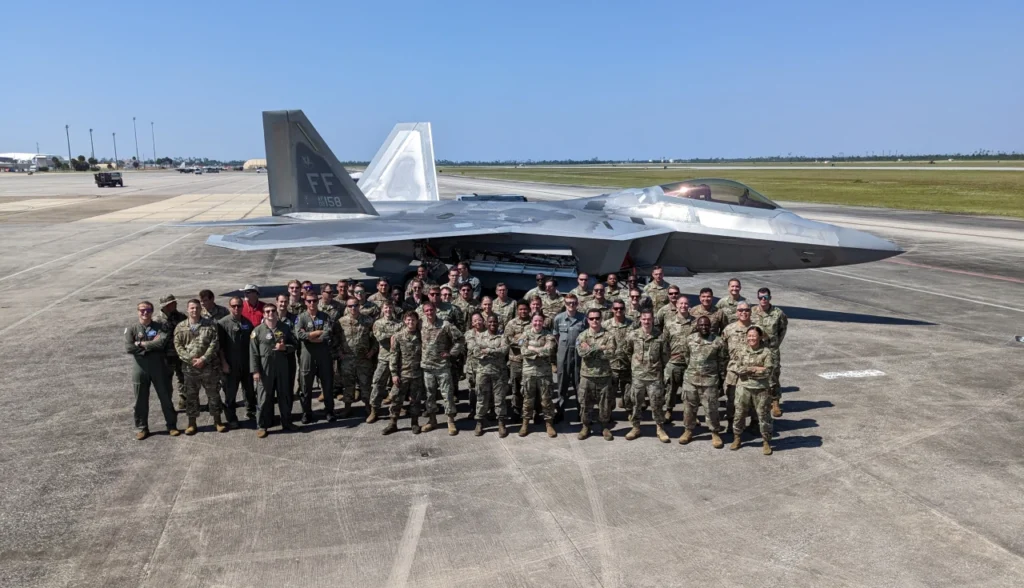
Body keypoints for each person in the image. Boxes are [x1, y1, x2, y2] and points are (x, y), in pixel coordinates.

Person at [125, 301, 178, 439]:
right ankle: (142, 427)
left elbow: (161, 343)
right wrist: (150, 346)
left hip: (158, 367)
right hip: (140, 368)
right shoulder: (132, 328)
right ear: (138, 311)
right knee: (140, 400)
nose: (145, 313)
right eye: (142, 310)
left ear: (152, 311)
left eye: (148, 310)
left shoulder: (161, 326)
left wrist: (141, 344)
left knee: (165, 397)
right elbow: (129, 348)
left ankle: (171, 425)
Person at [174, 299, 226, 435]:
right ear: (187, 310)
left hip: (209, 368)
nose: (194, 310)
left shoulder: (210, 325)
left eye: (197, 308)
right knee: (191, 397)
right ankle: (192, 423)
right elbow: (178, 347)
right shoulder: (180, 327)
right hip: (190, 370)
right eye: (191, 308)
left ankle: (218, 421)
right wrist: (191, 360)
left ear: (200, 309)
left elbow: (214, 343)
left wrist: (204, 358)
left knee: (213, 395)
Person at [679, 316, 728, 448]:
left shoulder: (718, 342)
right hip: (691, 380)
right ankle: (688, 430)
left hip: (710, 381)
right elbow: (686, 357)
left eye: (706, 325)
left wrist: (721, 380)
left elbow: (722, 362)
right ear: (697, 326)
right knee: (689, 408)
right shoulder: (690, 339)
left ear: (710, 326)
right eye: (701, 325)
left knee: (711, 409)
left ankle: (714, 432)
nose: (704, 327)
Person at [250, 305, 299, 438]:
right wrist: (255, 371)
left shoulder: (284, 328)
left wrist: (285, 348)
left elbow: (295, 344)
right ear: (264, 314)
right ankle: (262, 426)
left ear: (276, 313)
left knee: (285, 396)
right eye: (267, 311)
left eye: (273, 311)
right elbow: (253, 353)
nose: (270, 313)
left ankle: (287, 422)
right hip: (265, 369)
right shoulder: (258, 331)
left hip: (282, 367)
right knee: (263, 398)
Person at [622, 310, 670, 442]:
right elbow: (627, 351)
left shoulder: (660, 336)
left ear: (653, 319)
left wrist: (662, 373)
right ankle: (635, 427)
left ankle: (660, 428)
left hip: (654, 377)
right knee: (636, 403)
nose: (647, 321)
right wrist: (635, 365)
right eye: (644, 319)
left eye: (649, 319)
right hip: (638, 376)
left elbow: (665, 356)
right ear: (640, 320)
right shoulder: (633, 335)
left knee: (656, 403)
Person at [419, 302, 465, 435]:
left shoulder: (445, 325)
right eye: (426, 311)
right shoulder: (421, 324)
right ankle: (432, 420)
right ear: (424, 312)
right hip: (427, 366)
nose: (429, 313)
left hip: (442, 366)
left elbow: (460, 339)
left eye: (431, 310)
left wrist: (451, 352)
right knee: (430, 395)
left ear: (435, 310)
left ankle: (450, 421)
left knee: (447, 395)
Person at [731, 326, 776, 455]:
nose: (751, 338)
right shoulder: (741, 350)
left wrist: (749, 369)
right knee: (739, 413)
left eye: (754, 336)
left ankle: (766, 442)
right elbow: (736, 368)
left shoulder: (766, 352)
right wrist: (757, 368)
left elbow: (768, 371)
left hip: (761, 389)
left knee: (763, 415)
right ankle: (737, 438)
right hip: (743, 387)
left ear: (760, 337)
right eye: (749, 336)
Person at [295, 293, 338, 423]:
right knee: (305, 386)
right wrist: (316, 334)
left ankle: (329, 411)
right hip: (307, 356)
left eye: (314, 301)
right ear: (305, 302)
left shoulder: (325, 316)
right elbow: (299, 334)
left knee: (327, 385)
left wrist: (310, 337)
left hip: (323, 355)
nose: (312, 303)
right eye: (309, 301)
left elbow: (327, 333)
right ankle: (306, 413)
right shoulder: (301, 317)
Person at [576, 309, 617, 440]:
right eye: (592, 318)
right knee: (585, 404)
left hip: (604, 375)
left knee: (605, 404)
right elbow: (582, 353)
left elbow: (611, 353)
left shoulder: (609, 336)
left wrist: (590, 348)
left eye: (597, 318)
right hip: (587, 376)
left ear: (601, 319)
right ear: (588, 320)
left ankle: (605, 427)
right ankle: (586, 426)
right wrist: (600, 347)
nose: (595, 321)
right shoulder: (582, 336)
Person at [217, 296, 256, 427]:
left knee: (249, 390)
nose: (236, 308)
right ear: (229, 307)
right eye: (234, 306)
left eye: (239, 306)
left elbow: (252, 344)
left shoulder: (247, 323)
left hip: (246, 363)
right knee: (230, 392)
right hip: (230, 364)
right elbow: (220, 346)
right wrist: (224, 363)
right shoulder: (222, 323)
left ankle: (251, 412)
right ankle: (231, 417)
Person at [385, 311, 425, 435]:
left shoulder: (422, 335)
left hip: (417, 374)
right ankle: (392, 423)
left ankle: (414, 423)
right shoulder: (398, 336)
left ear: (417, 321)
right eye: (408, 320)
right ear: (404, 321)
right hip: (402, 374)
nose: (410, 322)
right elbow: (393, 356)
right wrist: (394, 374)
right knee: (396, 400)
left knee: (415, 400)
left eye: (413, 320)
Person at [751, 287, 788, 417]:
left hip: (772, 350)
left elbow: (782, 329)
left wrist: (775, 344)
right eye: (760, 297)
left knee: (773, 376)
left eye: (765, 297)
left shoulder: (778, 313)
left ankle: (775, 402)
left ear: (770, 298)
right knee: (756, 375)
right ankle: (759, 402)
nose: (763, 300)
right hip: (757, 350)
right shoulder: (752, 312)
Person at [470, 315, 510, 436]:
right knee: (481, 398)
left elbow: (504, 350)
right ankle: (479, 422)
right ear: (486, 323)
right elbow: (475, 351)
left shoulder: (502, 337)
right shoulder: (479, 336)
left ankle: (501, 423)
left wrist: (487, 350)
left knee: (500, 399)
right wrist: (494, 351)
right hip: (483, 372)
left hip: (499, 373)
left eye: (495, 322)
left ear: (498, 324)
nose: (493, 324)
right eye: (490, 322)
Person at [518, 314, 557, 437]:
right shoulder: (525, 334)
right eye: (535, 321)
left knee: (546, 400)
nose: (538, 323)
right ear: (532, 321)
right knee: (528, 400)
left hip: (544, 373)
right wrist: (540, 349)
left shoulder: (549, 335)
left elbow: (549, 350)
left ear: (543, 322)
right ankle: (525, 424)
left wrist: (532, 348)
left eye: (540, 321)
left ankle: (549, 424)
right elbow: (523, 351)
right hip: (529, 373)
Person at [338, 298, 375, 417]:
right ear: (347, 308)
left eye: (355, 305)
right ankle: (347, 408)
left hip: (363, 358)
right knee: (348, 384)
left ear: (359, 306)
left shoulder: (368, 320)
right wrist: (339, 352)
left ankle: (368, 407)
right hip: (347, 358)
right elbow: (335, 338)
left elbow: (375, 337)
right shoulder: (341, 322)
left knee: (365, 384)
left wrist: (373, 351)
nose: (353, 308)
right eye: (350, 306)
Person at [722, 301, 754, 431]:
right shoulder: (729, 329)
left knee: (752, 399)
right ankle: (731, 423)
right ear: (737, 313)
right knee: (732, 399)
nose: (743, 312)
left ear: (750, 312)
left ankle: (754, 423)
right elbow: (722, 350)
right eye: (740, 310)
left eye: (746, 310)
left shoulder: (757, 329)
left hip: (751, 372)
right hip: (733, 371)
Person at [369, 301, 403, 423]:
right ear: (382, 309)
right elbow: (380, 337)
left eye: (390, 307)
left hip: (398, 359)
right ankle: (374, 410)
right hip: (384, 358)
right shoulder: (378, 323)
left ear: (393, 308)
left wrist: (393, 336)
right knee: (378, 384)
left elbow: (402, 337)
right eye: (386, 307)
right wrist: (394, 335)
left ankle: (396, 408)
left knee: (398, 385)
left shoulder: (400, 323)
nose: (388, 310)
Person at [663, 297, 696, 422]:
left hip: (689, 363)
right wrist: (667, 360)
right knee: (671, 389)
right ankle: (668, 410)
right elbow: (664, 343)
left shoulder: (694, 322)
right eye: (681, 303)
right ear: (676, 305)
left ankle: (691, 414)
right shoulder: (669, 323)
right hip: (674, 362)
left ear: (689, 305)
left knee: (690, 391)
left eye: (686, 303)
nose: (683, 305)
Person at [553, 293, 585, 421]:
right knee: (562, 384)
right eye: (568, 303)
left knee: (579, 384)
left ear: (577, 304)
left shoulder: (583, 318)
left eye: (573, 303)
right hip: (563, 354)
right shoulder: (558, 318)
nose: (571, 305)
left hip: (578, 355)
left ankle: (580, 412)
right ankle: (559, 411)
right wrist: (563, 347)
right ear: (565, 304)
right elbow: (556, 336)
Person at [153, 295, 187, 409]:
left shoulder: (181, 317)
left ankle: (184, 400)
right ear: (166, 306)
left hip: (181, 354)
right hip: (165, 357)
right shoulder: (157, 320)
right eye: (172, 303)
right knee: (166, 382)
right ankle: (167, 404)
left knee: (183, 378)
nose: (175, 304)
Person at [504, 301, 532, 420]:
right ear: (517, 310)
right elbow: (508, 340)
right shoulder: (511, 323)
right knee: (515, 387)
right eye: (520, 309)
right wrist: (525, 342)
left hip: (530, 361)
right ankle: (516, 409)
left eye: (525, 309)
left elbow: (537, 339)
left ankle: (529, 410)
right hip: (515, 360)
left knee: (529, 387)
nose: (523, 311)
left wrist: (518, 340)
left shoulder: (533, 323)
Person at [605, 300, 633, 411]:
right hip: (611, 366)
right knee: (609, 395)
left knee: (628, 395)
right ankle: (608, 417)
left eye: (621, 308)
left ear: (624, 309)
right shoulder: (605, 325)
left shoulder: (632, 324)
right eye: (616, 308)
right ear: (612, 309)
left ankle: (630, 414)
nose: (618, 310)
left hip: (627, 365)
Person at [275, 294, 299, 396]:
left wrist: (286, 348)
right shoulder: (269, 316)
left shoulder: (294, 319)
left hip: (288, 356)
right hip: (272, 358)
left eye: (285, 301)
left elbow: (297, 340)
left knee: (288, 387)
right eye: (281, 301)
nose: (283, 304)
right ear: (276, 302)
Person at [463, 312, 485, 418]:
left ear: (483, 320)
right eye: (475, 321)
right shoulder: (468, 334)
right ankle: (473, 409)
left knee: (483, 389)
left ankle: (484, 410)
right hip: (471, 367)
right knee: (472, 389)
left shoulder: (488, 333)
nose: (477, 322)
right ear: (472, 323)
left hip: (484, 366)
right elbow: (463, 348)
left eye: (479, 320)